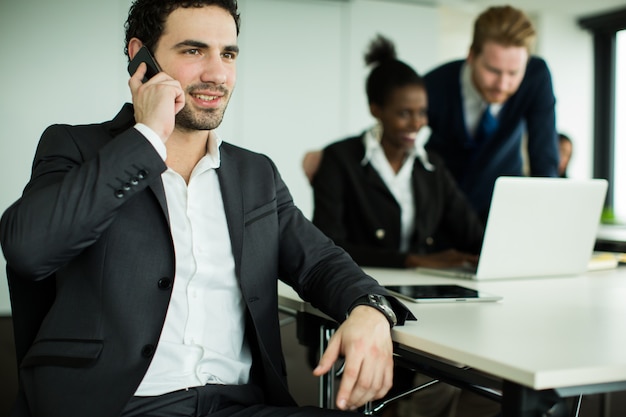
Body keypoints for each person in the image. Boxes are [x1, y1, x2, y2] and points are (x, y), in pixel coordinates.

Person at [0, 1, 415, 417]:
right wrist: (145, 139)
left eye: (228, 54)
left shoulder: (255, 174)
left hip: (238, 407)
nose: (217, 74)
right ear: (139, 57)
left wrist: (370, 308)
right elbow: (28, 250)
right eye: (193, 51)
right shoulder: (76, 147)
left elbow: (320, 263)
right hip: (116, 406)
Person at [311, 34, 484, 270]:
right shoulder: (340, 159)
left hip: (421, 286)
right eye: (404, 113)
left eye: (422, 112)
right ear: (376, 110)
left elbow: (472, 233)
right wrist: (411, 261)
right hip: (358, 284)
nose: (417, 123)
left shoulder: (431, 166)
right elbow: (326, 243)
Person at [424, 5, 559, 222]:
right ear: (471, 55)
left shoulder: (536, 77)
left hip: (504, 205)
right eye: (493, 71)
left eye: (514, 73)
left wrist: (546, 215)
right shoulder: (433, 85)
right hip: (443, 209)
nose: (502, 84)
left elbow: (544, 156)